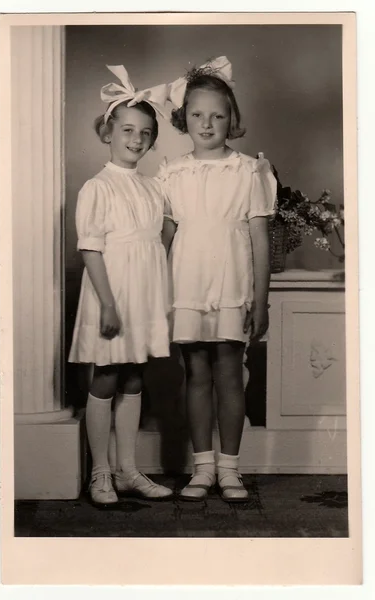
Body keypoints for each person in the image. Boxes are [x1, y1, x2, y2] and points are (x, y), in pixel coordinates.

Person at [158, 57, 277, 502]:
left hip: (232, 283)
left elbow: (260, 239)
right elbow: (164, 238)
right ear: (182, 118)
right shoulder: (171, 173)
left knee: (231, 373)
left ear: (233, 119)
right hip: (187, 283)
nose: (207, 124)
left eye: (217, 115)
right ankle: (202, 468)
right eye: (197, 115)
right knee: (196, 373)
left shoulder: (250, 171)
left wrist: (260, 300)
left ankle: (230, 470)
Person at [69, 65, 173, 506]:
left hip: (144, 292)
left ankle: (129, 470)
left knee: (134, 377)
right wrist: (108, 305)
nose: (136, 139)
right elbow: (92, 250)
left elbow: (162, 237)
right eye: (128, 129)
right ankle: (101, 473)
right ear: (108, 131)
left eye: (145, 133)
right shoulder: (97, 187)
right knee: (107, 375)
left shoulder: (153, 188)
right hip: (112, 293)